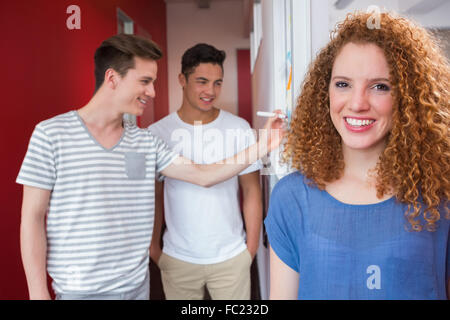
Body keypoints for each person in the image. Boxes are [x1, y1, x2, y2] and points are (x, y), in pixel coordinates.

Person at [17, 34, 284, 300]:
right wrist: (38, 293)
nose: (152, 92)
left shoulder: (145, 141)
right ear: (112, 78)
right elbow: (32, 218)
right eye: (145, 82)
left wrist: (265, 144)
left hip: (136, 289)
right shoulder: (51, 134)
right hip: (79, 291)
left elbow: (203, 176)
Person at [265, 11, 449, 300]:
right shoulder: (291, 199)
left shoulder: (440, 195)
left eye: (380, 86)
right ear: (324, 93)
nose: (358, 103)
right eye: (343, 84)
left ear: (407, 97)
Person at [149, 43, 262, 300]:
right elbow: (153, 196)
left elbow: (251, 190)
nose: (210, 91)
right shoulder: (157, 133)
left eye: (217, 83)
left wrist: (250, 250)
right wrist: (154, 247)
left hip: (231, 256)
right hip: (178, 257)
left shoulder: (239, 128)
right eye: (202, 81)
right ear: (182, 79)